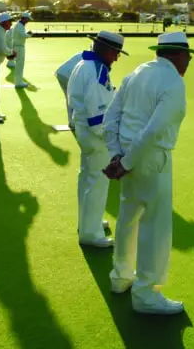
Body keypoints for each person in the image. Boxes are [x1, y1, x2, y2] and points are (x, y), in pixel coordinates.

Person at [102, 32, 194, 315]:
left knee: (128, 218)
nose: (189, 62)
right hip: (150, 160)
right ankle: (146, 294)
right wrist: (128, 161)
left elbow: (111, 117)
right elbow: (154, 131)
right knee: (155, 226)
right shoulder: (173, 82)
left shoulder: (136, 73)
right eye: (188, 56)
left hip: (127, 157)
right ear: (178, 56)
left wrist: (116, 155)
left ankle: (121, 277)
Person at [67, 31, 129, 248]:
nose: (117, 57)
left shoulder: (83, 63)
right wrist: (112, 140)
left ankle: (87, 224)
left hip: (83, 129)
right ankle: (91, 234)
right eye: (116, 52)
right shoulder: (97, 70)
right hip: (95, 134)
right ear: (106, 49)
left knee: (87, 178)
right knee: (97, 184)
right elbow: (97, 115)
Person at [12, 12, 33, 89]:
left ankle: (19, 81)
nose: (28, 21)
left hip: (19, 47)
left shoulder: (20, 25)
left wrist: (27, 34)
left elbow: (22, 34)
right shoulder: (19, 25)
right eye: (27, 19)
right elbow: (23, 35)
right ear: (24, 18)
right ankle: (18, 82)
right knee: (19, 65)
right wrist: (30, 35)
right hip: (19, 47)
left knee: (20, 65)